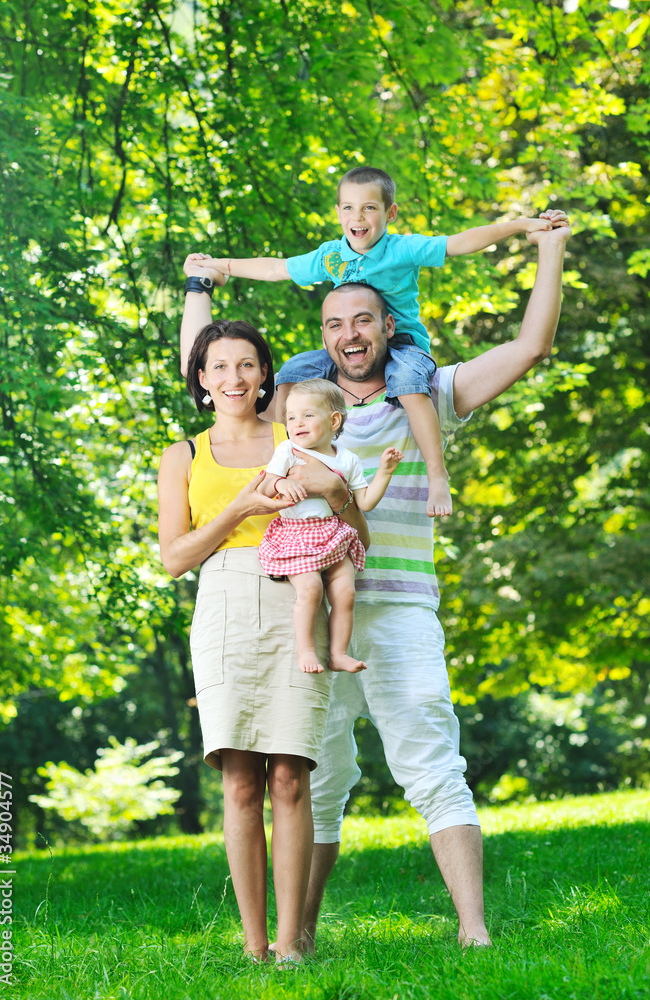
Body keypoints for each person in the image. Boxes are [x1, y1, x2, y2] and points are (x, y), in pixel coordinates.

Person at [180, 214, 572, 949]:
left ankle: (473, 931)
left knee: (431, 761)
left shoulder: (426, 393)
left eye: (363, 319)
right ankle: (296, 939)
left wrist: (547, 248)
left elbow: (529, 346)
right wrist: (201, 285)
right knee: (314, 787)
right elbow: (209, 373)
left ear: (389, 326)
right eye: (334, 322)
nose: (349, 333)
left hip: (397, 611)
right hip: (301, 618)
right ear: (322, 335)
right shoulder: (292, 416)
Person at [157, 312, 369, 965]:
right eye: (218, 365)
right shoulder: (181, 454)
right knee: (241, 782)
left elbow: (358, 522)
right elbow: (174, 557)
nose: (233, 377)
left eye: (245, 363)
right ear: (199, 377)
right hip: (222, 602)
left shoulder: (297, 434)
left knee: (290, 777)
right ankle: (254, 946)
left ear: (264, 374)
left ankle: (292, 943)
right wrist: (241, 508)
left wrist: (337, 493)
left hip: (297, 596)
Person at [200, 166, 568, 519]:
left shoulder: (402, 249)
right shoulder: (331, 255)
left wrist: (522, 226)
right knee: (293, 370)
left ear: (390, 213)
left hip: (404, 345)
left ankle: (438, 475)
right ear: (338, 212)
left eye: (369, 208)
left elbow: (459, 244)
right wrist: (218, 266)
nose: (357, 217)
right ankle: (285, 462)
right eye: (348, 208)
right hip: (311, 547)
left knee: (408, 384)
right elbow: (276, 269)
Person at [256, 378, 403, 674]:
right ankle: (306, 650)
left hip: (333, 534)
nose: (297, 423)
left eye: (308, 415)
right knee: (311, 589)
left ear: (334, 420)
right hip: (297, 535)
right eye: (291, 417)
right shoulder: (288, 450)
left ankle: (338, 653)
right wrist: (282, 481)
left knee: (346, 592)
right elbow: (266, 486)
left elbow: (365, 503)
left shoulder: (347, 459)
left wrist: (385, 473)